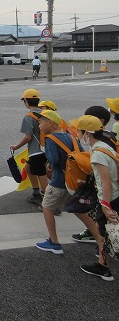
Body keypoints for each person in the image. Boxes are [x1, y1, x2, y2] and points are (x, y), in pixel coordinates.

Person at [72, 115, 119, 281]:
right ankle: (102, 265)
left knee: (104, 234)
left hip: (109, 199)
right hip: (114, 196)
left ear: (88, 133)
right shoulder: (105, 147)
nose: (77, 133)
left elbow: (106, 183)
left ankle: (103, 268)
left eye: (79, 130)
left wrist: (105, 206)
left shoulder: (98, 153)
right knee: (105, 234)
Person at [34, 110, 74, 254]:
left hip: (58, 180)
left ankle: (54, 242)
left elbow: (54, 160)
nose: (39, 126)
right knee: (79, 210)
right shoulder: (70, 136)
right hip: (73, 181)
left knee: (47, 207)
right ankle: (99, 240)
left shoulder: (50, 139)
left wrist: (49, 163)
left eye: (41, 123)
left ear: (50, 123)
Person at [10, 89, 49, 207]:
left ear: (26, 101)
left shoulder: (28, 117)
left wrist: (16, 147)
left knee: (42, 174)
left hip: (37, 151)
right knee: (28, 167)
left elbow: (28, 137)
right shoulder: (45, 113)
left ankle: (49, 201)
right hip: (48, 148)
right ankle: (36, 192)